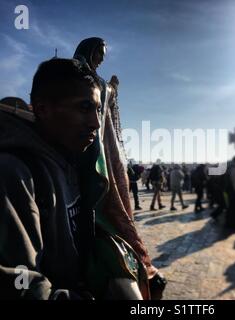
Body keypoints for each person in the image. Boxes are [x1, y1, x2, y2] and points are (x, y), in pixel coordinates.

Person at [0, 58, 137, 299]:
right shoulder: (14, 174)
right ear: (42, 109)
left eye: (97, 109)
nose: (96, 122)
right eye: (84, 108)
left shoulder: (74, 160)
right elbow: (22, 285)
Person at [73, 38, 166, 299]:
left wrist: (111, 88)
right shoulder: (77, 73)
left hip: (103, 142)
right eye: (99, 54)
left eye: (103, 55)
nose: (101, 59)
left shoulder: (91, 75)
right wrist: (111, 88)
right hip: (94, 146)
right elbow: (97, 90)